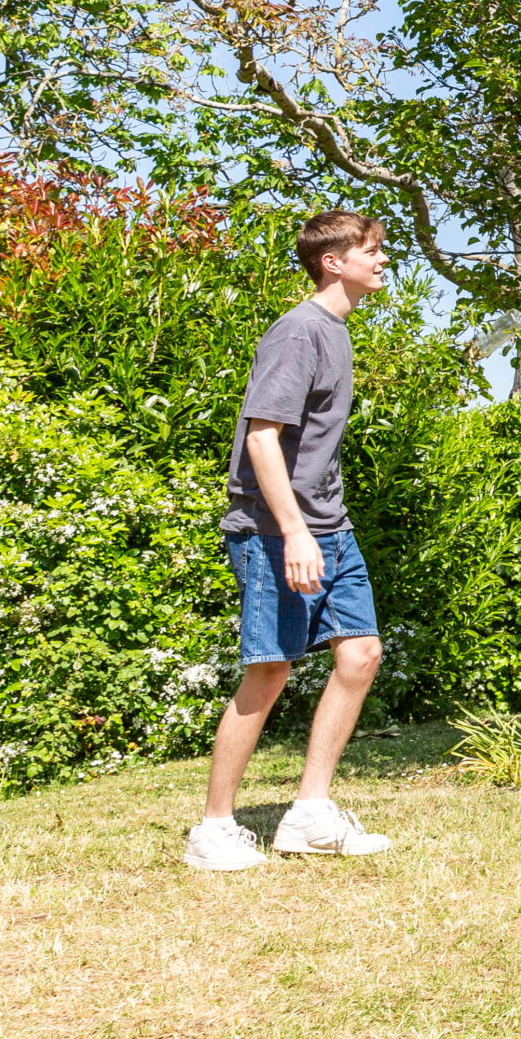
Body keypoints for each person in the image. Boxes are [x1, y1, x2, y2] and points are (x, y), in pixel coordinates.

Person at [183, 210, 397, 870]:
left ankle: (308, 812)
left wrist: (321, 522)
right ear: (334, 262)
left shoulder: (335, 329)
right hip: (277, 530)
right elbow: (260, 436)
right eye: (371, 250)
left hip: (330, 524)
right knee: (271, 666)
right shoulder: (298, 331)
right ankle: (213, 828)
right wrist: (295, 530)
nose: (382, 260)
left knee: (359, 653)